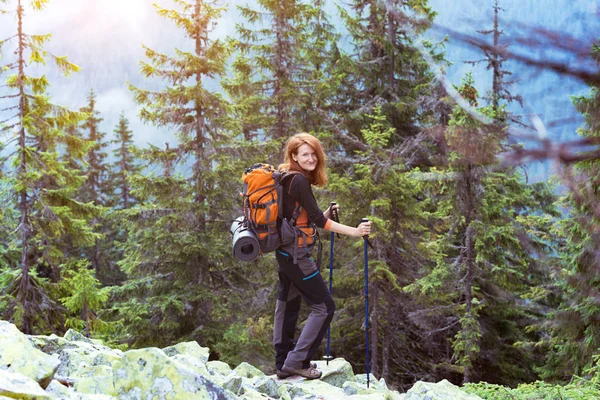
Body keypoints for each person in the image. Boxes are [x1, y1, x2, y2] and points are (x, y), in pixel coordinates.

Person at [274, 132, 372, 380]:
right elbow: (318, 221)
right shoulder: (299, 182)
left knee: (287, 304)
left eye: (313, 153)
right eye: (305, 154)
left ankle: (282, 361)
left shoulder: (286, 177)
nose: (311, 158)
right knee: (325, 306)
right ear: (294, 156)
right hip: (297, 255)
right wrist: (355, 232)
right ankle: (297, 362)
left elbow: (303, 218)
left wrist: (326, 212)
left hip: (285, 252)